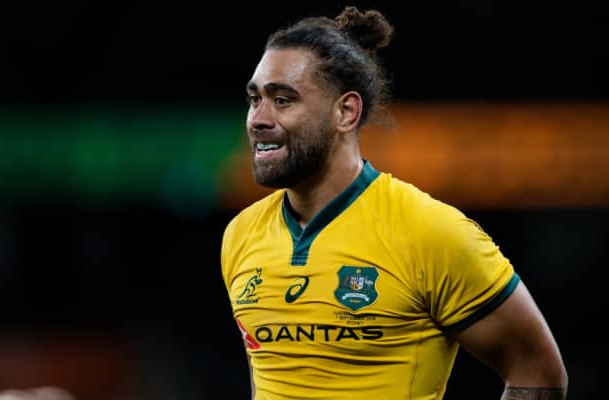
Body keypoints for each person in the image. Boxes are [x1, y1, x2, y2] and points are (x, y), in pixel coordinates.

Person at [220, 5, 568, 400]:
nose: (257, 119)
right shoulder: (241, 235)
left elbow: (539, 372)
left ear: (346, 112)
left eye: (282, 100)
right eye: (255, 99)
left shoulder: (430, 232)